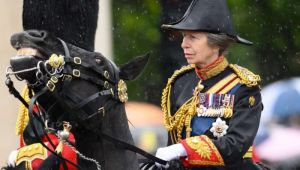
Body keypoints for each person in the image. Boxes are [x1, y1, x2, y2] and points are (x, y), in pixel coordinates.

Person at [155, 0, 264, 169]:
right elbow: (174, 140)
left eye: (193, 37)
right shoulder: (180, 82)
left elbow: (235, 145)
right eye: (184, 36)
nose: (184, 44)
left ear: (216, 44)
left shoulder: (243, 86)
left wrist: (184, 149)